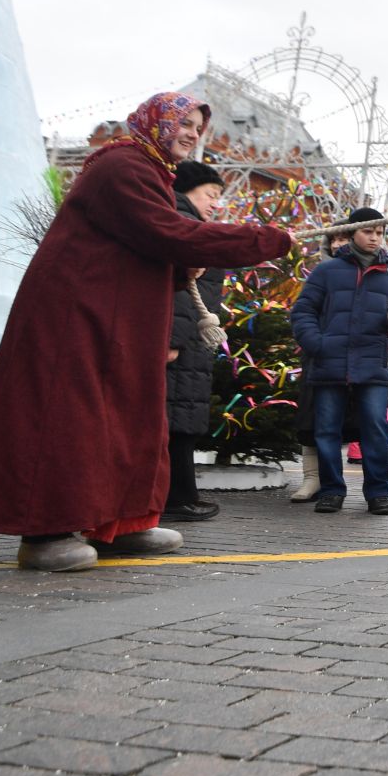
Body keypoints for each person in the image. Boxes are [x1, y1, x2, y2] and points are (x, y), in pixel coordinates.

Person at [0, 94, 291, 571]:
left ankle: (121, 522)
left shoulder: (149, 171)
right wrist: (263, 239)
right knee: (68, 418)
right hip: (74, 317)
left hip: (116, 319)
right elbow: (164, 232)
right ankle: (44, 530)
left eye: (198, 126)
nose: (193, 133)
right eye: (184, 123)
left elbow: (137, 246)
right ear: (157, 123)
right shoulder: (122, 166)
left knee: (126, 416)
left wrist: (177, 270)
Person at [289, 208, 388, 515]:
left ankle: (379, 493)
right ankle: (332, 490)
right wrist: (315, 343)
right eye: (368, 232)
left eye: (380, 233)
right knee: (327, 430)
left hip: (372, 364)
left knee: (375, 428)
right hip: (329, 362)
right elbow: (302, 310)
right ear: (353, 233)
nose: (375, 238)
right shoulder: (328, 271)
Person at [162, 160, 231, 525]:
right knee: (173, 423)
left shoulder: (190, 226)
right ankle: (175, 498)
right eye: (210, 194)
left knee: (180, 422)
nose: (215, 203)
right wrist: (172, 339)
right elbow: (178, 295)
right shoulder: (182, 226)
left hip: (190, 346)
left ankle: (181, 495)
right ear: (187, 190)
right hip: (179, 347)